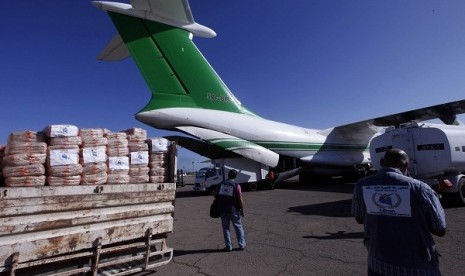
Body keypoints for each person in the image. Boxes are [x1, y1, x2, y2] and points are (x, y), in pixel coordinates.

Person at [352, 148, 446, 276]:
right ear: (406, 165)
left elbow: (359, 218)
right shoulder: (420, 188)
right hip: (416, 268)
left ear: (381, 161)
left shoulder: (361, 185)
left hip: (377, 263)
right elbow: (440, 229)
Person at [215, 169, 246, 252]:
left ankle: (228, 247)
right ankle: (241, 245)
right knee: (238, 227)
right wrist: (242, 209)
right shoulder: (236, 185)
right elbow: (239, 198)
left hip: (223, 209)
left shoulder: (221, 184)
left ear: (228, 175)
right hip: (233, 210)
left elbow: (215, 194)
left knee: (226, 228)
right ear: (235, 176)